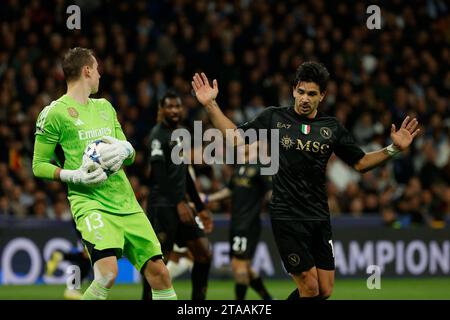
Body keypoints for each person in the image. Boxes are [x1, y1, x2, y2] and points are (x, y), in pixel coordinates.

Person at [191, 62, 420, 299]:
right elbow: (236, 139)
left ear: (322, 95)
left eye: (312, 94)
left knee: (325, 291)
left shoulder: (331, 128)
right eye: (301, 92)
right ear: (293, 91)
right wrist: (210, 104)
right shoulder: (274, 117)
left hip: (319, 216)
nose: (305, 99)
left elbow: (360, 163)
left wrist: (393, 149)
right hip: (287, 215)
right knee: (309, 288)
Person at [32, 47, 176, 300]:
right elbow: (39, 164)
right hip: (90, 202)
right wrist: (74, 175)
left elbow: (128, 154)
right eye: (97, 69)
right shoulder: (53, 113)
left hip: (125, 201)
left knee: (160, 274)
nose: (100, 74)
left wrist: (126, 148)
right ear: (87, 70)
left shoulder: (105, 107)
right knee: (108, 272)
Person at [144, 90, 213, 300]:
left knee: (203, 254)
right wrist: (179, 202)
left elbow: (185, 176)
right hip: (163, 206)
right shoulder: (157, 136)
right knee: (158, 264)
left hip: (180, 205)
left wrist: (201, 208)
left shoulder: (182, 133)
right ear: (162, 110)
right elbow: (158, 175)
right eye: (170, 106)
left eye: (177, 106)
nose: (174, 110)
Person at [203, 144, 273, 300]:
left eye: (250, 143)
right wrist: (207, 198)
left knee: (238, 267)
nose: (245, 145)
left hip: (248, 224)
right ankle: (268, 298)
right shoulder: (240, 167)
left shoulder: (261, 167)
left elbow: (270, 191)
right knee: (245, 267)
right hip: (236, 223)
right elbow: (229, 190)